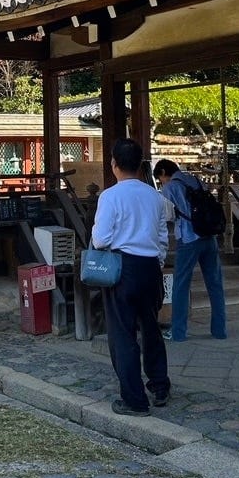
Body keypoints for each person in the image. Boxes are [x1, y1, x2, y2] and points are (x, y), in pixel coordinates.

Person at [91, 137, 171, 416]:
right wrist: (157, 262)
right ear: (140, 165)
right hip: (150, 266)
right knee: (151, 329)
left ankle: (134, 399)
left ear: (113, 164)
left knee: (123, 334)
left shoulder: (110, 196)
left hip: (123, 267)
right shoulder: (155, 197)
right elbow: (162, 238)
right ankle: (159, 385)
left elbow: (100, 240)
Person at [154, 158, 227, 342]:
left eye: (160, 178)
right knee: (215, 283)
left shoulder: (170, 187)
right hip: (208, 236)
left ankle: (179, 332)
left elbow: (167, 215)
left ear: (163, 172)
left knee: (181, 285)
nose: (161, 182)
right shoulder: (195, 180)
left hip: (188, 238)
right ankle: (219, 330)